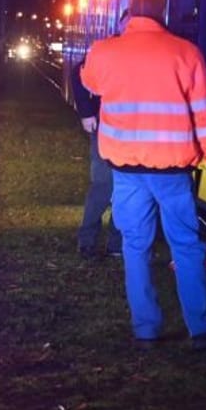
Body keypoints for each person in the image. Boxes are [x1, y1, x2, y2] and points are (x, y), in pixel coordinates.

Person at [81, 0, 206, 348]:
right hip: (173, 170)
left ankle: (146, 330)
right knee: (186, 246)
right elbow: (205, 113)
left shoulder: (105, 51)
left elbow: (89, 81)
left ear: (130, 12)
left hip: (127, 170)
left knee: (135, 246)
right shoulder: (186, 53)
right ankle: (202, 329)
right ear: (164, 11)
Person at [71, 33, 123, 260]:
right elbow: (79, 72)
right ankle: (88, 242)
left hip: (131, 131)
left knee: (125, 189)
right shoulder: (110, 46)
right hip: (106, 127)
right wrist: (86, 111)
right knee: (104, 184)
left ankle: (116, 244)